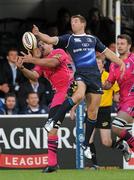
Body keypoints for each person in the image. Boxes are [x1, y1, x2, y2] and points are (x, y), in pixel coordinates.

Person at [32, 14, 125, 157]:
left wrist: (120, 62)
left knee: (93, 112)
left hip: (95, 77)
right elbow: (50, 39)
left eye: (75, 21)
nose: (72, 24)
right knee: (79, 95)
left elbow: (107, 53)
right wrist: (39, 34)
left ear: (83, 24)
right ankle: (53, 121)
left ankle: (85, 144)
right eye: (71, 22)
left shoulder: (93, 39)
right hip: (81, 74)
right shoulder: (69, 39)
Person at [16, 41, 73, 172]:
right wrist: (22, 68)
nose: (41, 46)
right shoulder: (41, 62)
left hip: (67, 90)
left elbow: (53, 63)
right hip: (58, 94)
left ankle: (53, 164)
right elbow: (35, 76)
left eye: (43, 44)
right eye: (39, 45)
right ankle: (52, 164)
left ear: (51, 45)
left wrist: (32, 59)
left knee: (52, 126)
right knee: (51, 128)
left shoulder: (58, 52)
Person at [87, 57, 131, 169]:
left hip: (104, 110)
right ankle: (95, 165)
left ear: (103, 64)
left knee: (106, 142)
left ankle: (122, 147)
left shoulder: (108, 76)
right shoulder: (89, 76)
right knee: (88, 139)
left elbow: (116, 93)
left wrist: (123, 101)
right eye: (94, 63)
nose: (96, 65)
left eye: (99, 62)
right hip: (91, 109)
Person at [104, 34, 134, 152]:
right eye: (118, 44)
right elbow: (108, 84)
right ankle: (126, 147)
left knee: (116, 128)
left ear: (129, 46)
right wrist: (98, 83)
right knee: (125, 133)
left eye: (122, 44)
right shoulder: (113, 64)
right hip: (122, 102)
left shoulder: (133, 59)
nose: (119, 46)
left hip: (132, 100)